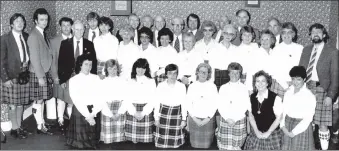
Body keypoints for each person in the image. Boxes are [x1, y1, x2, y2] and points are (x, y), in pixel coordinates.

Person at [299, 23, 339, 150]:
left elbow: (335, 76)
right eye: (313, 32)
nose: (316, 34)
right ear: (310, 35)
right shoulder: (306, 49)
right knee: (307, 122)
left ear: (324, 34)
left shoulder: (332, 51)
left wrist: (330, 96)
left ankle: (325, 148)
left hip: (322, 89)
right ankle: (308, 147)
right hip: (306, 88)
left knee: (323, 124)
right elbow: (300, 71)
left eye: (319, 32)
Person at [58, 20, 98, 136]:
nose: (79, 31)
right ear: (73, 30)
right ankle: (71, 124)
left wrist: (93, 79)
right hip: (70, 77)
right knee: (70, 103)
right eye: (77, 29)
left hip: (84, 77)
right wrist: (62, 80)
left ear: (84, 30)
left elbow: (93, 63)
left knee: (81, 100)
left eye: (81, 29)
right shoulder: (65, 43)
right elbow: (61, 63)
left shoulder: (89, 44)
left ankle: (80, 125)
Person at [67, 54, 112, 149]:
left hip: (94, 110)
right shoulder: (73, 80)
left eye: (90, 65)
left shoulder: (96, 78)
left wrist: (93, 113)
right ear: (80, 65)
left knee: (93, 142)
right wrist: (88, 115)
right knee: (81, 144)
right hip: (81, 110)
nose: (88, 67)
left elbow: (100, 96)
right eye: (86, 64)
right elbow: (77, 100)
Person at [1, 13, 31, 139]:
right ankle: (14, 129)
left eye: (21, 21)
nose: (20, 23)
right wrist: (5, 78)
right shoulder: (4, 39)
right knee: (13, 104)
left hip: (24, 74)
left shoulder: (26, 36)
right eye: (16, 21)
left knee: (21, 103)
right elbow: (0, 60)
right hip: (11, 76)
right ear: (11, 24)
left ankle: (19, 126)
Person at [28, 8, 54, 135]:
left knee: (41, 99)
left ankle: (41, 122)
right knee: (38, 100)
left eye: (46, 19)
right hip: (38, 73)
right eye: (41, 20)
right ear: (35, 21)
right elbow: (34, 59)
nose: (44, 22)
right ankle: (39, 125)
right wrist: (40, 76)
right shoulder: (34, 36)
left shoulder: (42, 33)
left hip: (44, 71)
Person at [244, 70, 283, 150]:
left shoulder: (276, 98)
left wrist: (268, 132)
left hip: (271, 134)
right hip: (256, 133)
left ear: (267, 83)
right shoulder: (251, 97)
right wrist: (257, 132)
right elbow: (251, 116)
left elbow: (279, 118)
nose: (260, 84)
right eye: (257, 81)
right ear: (255, 83)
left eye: (263, 81)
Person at [281, 66, 316, 150]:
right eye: (293, 79)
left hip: (301, 128)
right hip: (287, 124)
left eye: (298, 79)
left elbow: (308, 118)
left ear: (304, 79)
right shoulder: (288, 92)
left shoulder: (309, 96)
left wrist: (294, 132)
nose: (295, 82)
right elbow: (283, 110)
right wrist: (282, 126)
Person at [217, 62, 250, 150]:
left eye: (237, 73)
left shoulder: (244, 88)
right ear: (228, 73)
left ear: (240, 74)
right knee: (224, 146)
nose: (234, 75)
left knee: (236, 146)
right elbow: (220, 105)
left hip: (238, 120)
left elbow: (245, 105)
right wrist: (227, 118)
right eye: (232, 72)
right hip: (225, 119)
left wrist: (234, 119)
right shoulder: (223, 87)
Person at [154, 64, 187, 148]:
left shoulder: (181, 86)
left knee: (175, 145)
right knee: (162, 145)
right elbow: (157, 102)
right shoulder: (161, 85)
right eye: (170, 73)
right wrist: (156, 118)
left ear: (177, 74)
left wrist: (183, 119)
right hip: (163, 114)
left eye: (175, 73)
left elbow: (184, 103)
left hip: (176, 114)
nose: (172, 76)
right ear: (166, 74)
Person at [50, 17, 73, 134]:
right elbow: (53, 61)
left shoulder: (76, 39)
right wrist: (55, 76)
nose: (66, 28)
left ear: (71, 26)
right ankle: (60, 121)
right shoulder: (54, 41)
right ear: (60, 27)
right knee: (60, 99)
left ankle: (71, 121)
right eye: (63, 25)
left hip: (73, 77)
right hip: (60, 75)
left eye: (68, 25)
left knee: (71, 100)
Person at [124, 58, 156, 144]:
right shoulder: (130, 81)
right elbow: (127, 98)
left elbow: (152, 99)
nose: (140, 70)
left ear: (146, 69)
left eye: (143, 68)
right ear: (135, 68)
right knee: (133, 143)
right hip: (133, 110)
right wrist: (133, 112)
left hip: (146, 111)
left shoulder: (151, 81)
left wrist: (143, 113)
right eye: (138, 67)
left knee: (145, 145)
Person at [186, 63, 218, 148]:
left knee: (207, 146)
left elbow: (215, 104)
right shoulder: (192, 86)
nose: (203, 74)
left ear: (208, 74)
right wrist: (194, 118)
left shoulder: (212, 86)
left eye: (206, 72)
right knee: (194, 145)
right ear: (197, 73)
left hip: (208, 120)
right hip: (194, 119)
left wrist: (208, 118)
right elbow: (188, 103)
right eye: (201, 72)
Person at [271, 22, 303, 97]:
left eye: (289, 32)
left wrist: (296, 84)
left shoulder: (300, 48)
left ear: (293, 34)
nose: (286, 35)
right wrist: (285, 86)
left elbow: (302, 68)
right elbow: (274, 70)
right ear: (281, 35)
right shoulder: (276, 49)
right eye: (284, 33)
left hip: (296, 84)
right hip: (279, 84)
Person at [99, 59, 127, 144]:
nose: (112, 71)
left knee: (119, 140)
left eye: (115, 69)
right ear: (106, 70)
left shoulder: (123, 81)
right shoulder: (103, 82)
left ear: (118, 69)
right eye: (110, 69)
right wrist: (110, 114)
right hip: (107, 110)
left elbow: (126, 98)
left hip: (120, 110)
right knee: (109, 141)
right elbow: (102, 100)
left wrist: (120, 112)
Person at [212, 24, 238, 90]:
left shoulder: (235, 49)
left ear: (233, 36)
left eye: (231, 34)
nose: (228, 36)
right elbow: (211, 67)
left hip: (231, 76)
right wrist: (211, 82)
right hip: (218, 76)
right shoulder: (214, 48)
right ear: (222, 34)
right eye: (226, 33)